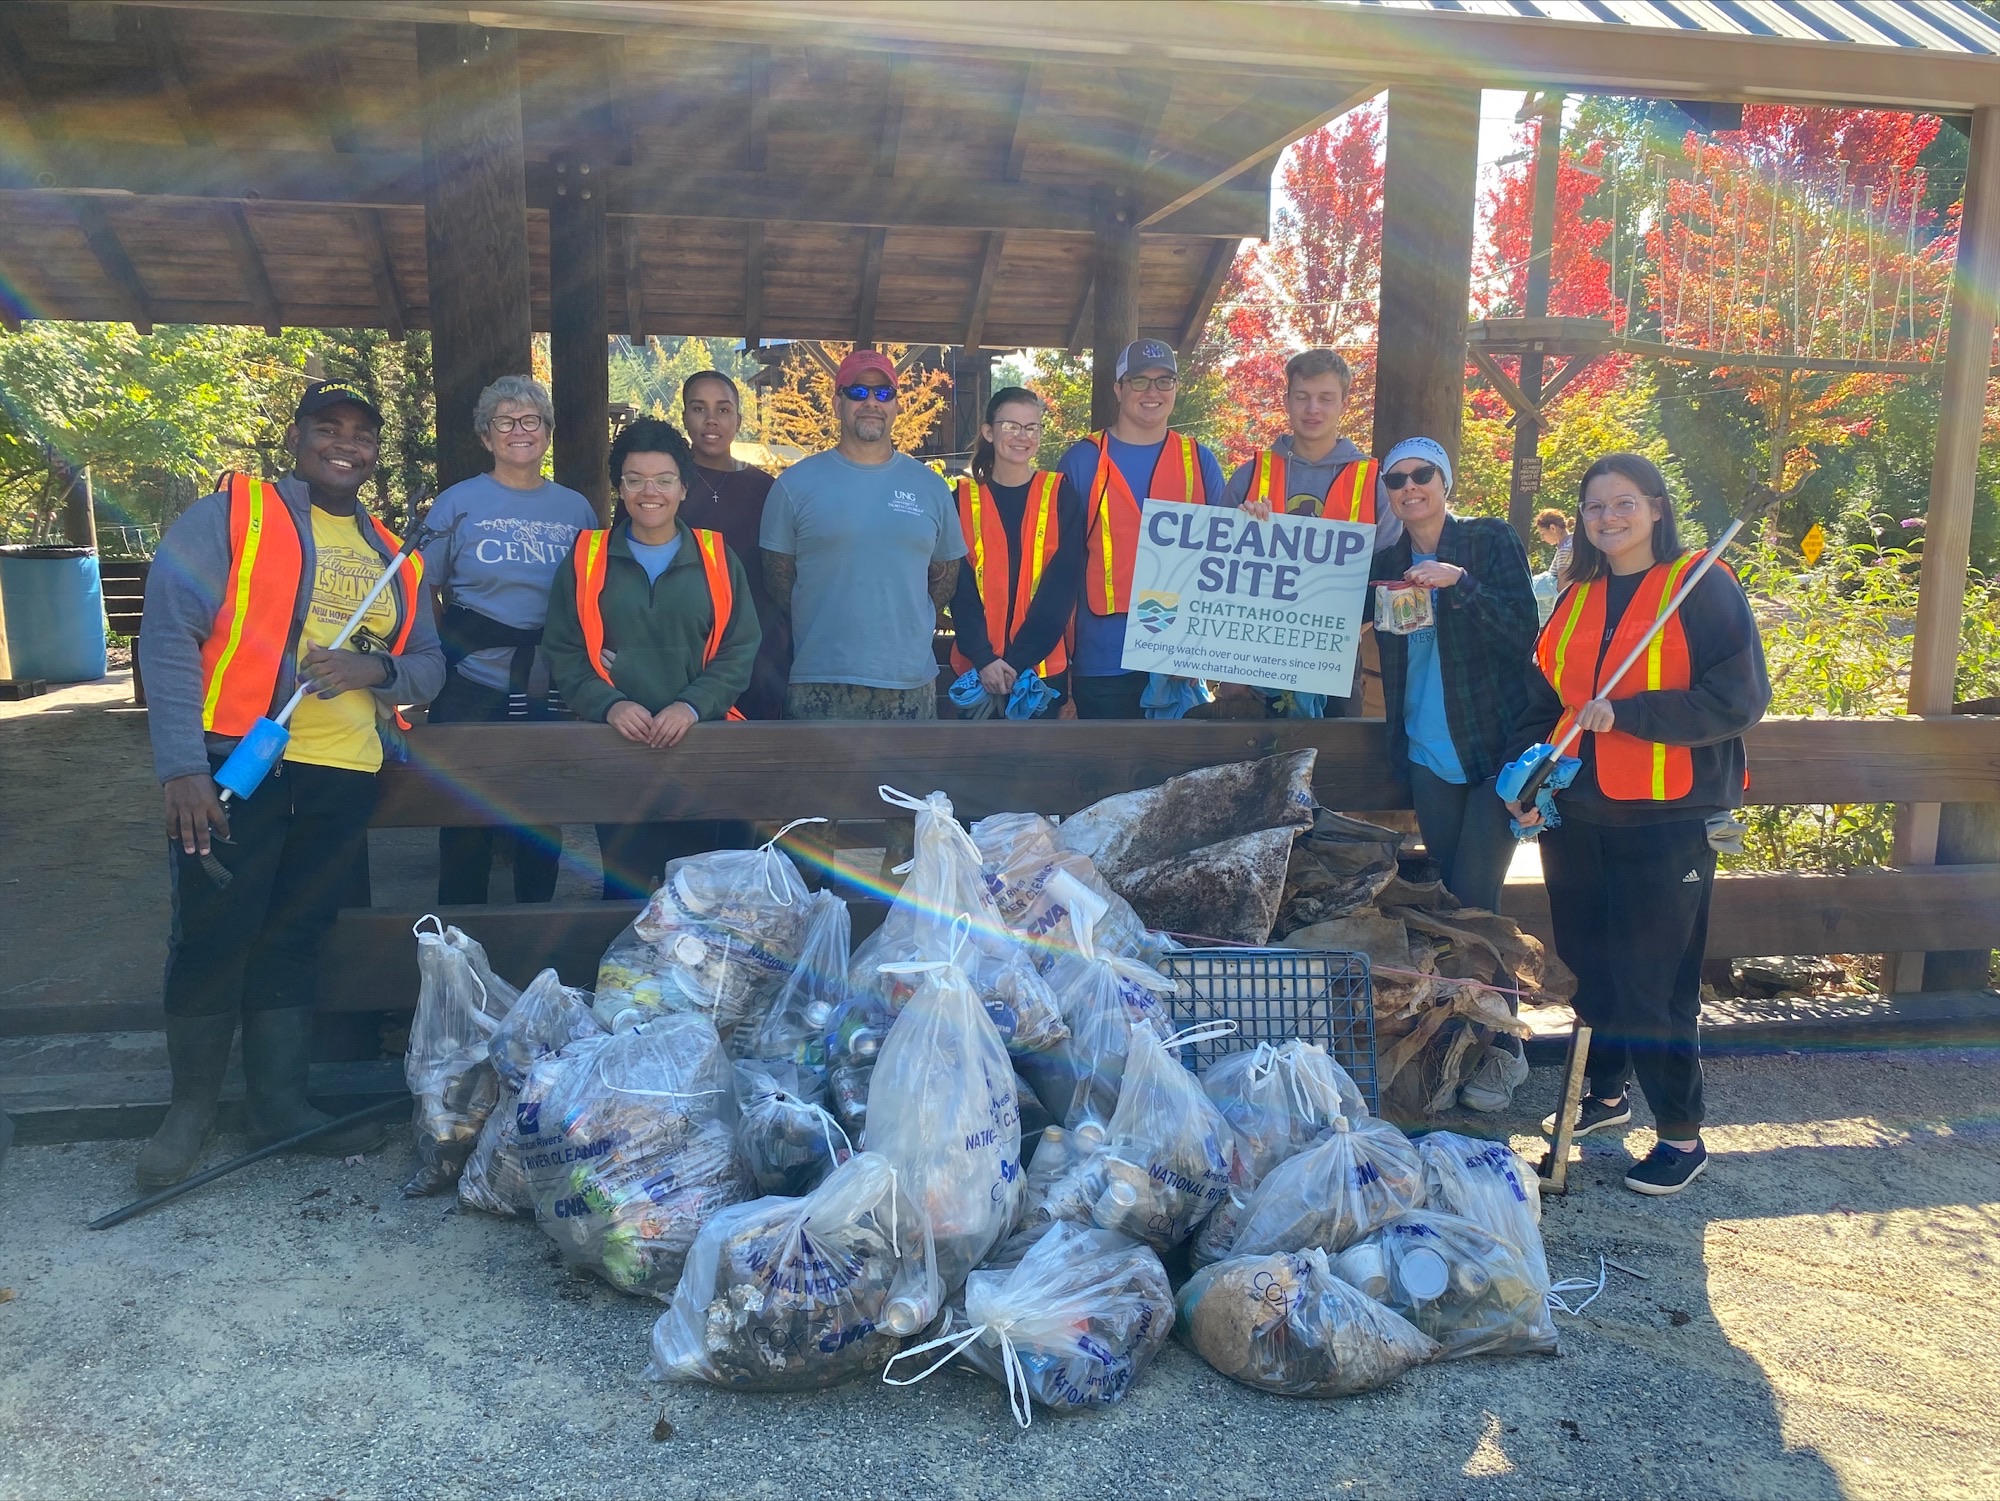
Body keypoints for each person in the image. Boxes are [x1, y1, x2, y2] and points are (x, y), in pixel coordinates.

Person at [134, 380, 446, 1188]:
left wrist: (371, 667)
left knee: (294, 935)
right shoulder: (233, 515)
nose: (346, 443)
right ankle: (191, 1111)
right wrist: (180, 766)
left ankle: (279, 1102)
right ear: (299, 438)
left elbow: (428, 668)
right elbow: (169, 633)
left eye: (361, 434)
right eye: (328, 428)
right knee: (213, 929)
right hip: (236, 764)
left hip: (342, 773)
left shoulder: (393, 555)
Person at [1507, 453, 1770, 1196]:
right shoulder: (1576, 594)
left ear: (1656, 507)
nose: (1608, 517)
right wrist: (1526, 777)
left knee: (1656, 979)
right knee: (1591, 964)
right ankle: (1607, 1094)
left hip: (1670, 817)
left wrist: (1632, 713)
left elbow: (1739, 698)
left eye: (1624, 502)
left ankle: (1682, 1136)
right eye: (1595, 506)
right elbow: (1544, 697)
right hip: (1578, 811)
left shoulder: (1702, 585)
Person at [1368, 436, 1541, 1113]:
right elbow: (1316, 609)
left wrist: (1457, 583)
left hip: (1493, 752)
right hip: (1424, 751)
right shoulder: (1384, 561)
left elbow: (1523, 628)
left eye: (1422, 475)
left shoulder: (1490, 541)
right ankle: (1461, 1043)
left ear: (1445, 481)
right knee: (1450, 902)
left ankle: (1505, 1049)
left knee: (1477, 898)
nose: (1409, 488)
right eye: (1396, 480)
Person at [543, 418, 761, 902]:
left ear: (684, 487)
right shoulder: (586, 557)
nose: (650, 492)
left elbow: (739, 647)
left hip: (700, 743)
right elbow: (563, 648)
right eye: (635, 479)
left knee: (702, 899)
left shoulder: (718, 558)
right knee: (624, 894)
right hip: (619, 745)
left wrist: (690, 706)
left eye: (664, 480)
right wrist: (609, 704)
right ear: (618, 487)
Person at [421, 374, 598, 906]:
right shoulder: (457, 503)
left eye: (530, 421)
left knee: (541, 823)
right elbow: (422, 591)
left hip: (549, 681)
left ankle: (533, 945)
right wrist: (434, 658)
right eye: (505, 421)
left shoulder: (576, 510)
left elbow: (591, 595)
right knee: (463, 820)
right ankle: (458, 941)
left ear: (546, 432)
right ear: (485, 434)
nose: (518, 431)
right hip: (473, 679)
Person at [760, 348, 962, 722]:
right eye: (858, 392)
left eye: (883, 393)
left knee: (908, 784)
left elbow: (945, 577)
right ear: (838, 403)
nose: (871, 402)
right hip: (819, 682)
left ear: (897, 406)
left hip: (909, 683)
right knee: (817, 783)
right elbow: (779, 581)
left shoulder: (931, 489)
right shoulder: (794, 486)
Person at [1223, 347, 1403, 717]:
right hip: (1253, 658)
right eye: (1302, 397)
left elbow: (1390, 573)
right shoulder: (1249, 475)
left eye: (1325, 398)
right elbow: (1216, 565)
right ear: (1287, 400)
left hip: (1334, 656)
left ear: (1343, 403)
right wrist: (1241, 531)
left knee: (1334, 767)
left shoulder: (1373, 483)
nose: (1313, 409)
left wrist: (1357, 626)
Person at [1055, 339, 1227, 720]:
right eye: (1139, 381)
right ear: (1118, 389)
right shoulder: (1083, 460)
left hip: (1178, 659)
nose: (1152, 392)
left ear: (1176, 389)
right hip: (1103, 658)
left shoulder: (1199, 460)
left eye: (1164, 381)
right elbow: (1056, 564)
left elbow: (1222, 560)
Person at [947, 386, 1086, 719]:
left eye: (1031, 427)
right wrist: (985, 659)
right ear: (988, 432)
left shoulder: (1060, 496)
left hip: (1038, 675)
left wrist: (1016, 662)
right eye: (1010, 426)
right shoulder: (961, 501)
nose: (1022, 436)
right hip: (977, 672)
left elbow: (1061, 588)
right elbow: (959, 590)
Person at [679, 370, 792, 721]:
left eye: (723, 409)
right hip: (686, 645)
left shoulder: (768, 489)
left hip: (762, 648)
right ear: (684, 417)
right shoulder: (662, 485)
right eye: (699, 408)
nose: (711, 420)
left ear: (739, 419)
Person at [1535, 507, 1574, 578]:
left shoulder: (1565, 549)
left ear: (1553, 528)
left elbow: (1563, 583)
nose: (1542, 538)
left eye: (1543, 533)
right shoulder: (1571, 543)